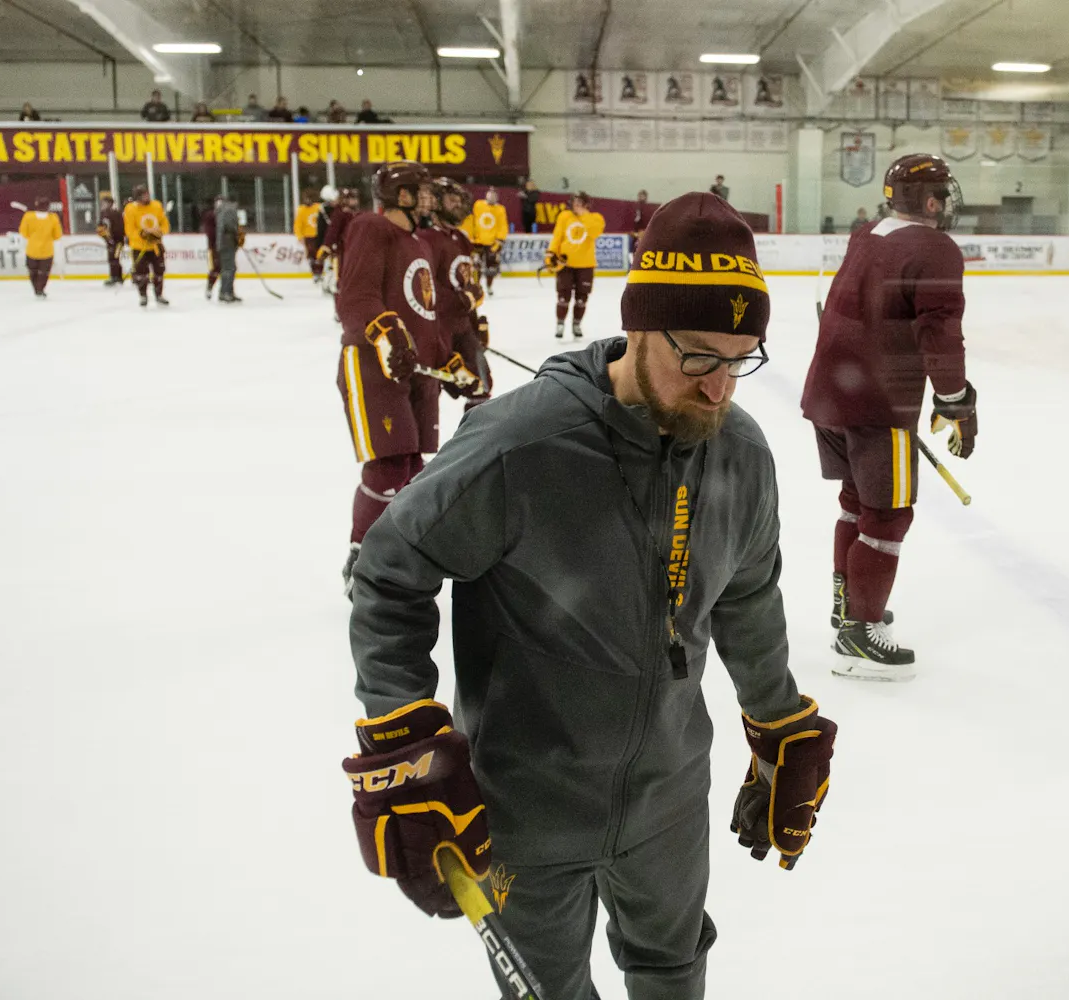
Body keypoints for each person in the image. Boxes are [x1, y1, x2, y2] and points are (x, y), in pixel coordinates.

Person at [340, 190, 835, 1000]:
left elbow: (749, 594)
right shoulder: (521, 444)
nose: (719, 390)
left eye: (741, 359)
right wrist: (402, 732)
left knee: (674, 971)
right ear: (640, 325)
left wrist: (779, 719)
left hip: (670, 800)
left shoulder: (739, 452)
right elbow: (390, 571)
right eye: (699, 356)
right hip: (526, 808)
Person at [801, 153, 975, 680]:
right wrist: (956, 400)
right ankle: (859, 633)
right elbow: (939, 331)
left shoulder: (867, 233)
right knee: (890, 514)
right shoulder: (935, 248)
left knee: (857, 502)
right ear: (928, 201)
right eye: (942, 195)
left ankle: (849, 606)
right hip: (879, 402)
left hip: (830, 392)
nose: (946, 206)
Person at [335, 161, 479, 595]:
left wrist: (448, 361)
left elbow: (423, 313)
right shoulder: (371, 227)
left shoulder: (417, 242)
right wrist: (383, 331)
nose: (431, 198)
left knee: (415, 467)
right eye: (423, 190)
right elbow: (355, 297)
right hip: (371, 364)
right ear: (401, 194)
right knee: (389, 464)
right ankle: (361, 558)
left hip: (413, 372)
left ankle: (400, 552)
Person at [421, 177, 494, 409]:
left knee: (480, 385)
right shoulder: (426, 239)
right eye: (452, 200)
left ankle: (475, 444)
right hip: (435, 329)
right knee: (429, 390)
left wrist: (474, 323)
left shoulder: (461, 238)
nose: (459, 206)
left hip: (462, 326)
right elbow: (424, 288)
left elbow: (468, 285)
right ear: (435, 203)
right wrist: (462, 300)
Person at [546, 191, 605, 339]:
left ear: (586, 205)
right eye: (574, 202)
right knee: (563, 296)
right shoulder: (564, 216)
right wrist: (551, 253)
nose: (576, 206)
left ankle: (576, 324)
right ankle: (560, 324)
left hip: (585, 265)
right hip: (565, 264)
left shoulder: (595, 218)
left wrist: (584, 215)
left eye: (580, 203)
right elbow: (557, 236)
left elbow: (594, 232)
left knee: (581, 298)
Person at [123, 184, 170, 307]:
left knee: (159, 272)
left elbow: (164, 223)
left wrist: (159, 233)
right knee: (141, 274)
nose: (146, 197)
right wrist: (142, 234)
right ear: (137, 198)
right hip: (139, 247)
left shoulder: (157, 205)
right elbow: (129, 229)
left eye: (147, 194)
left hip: (156, 246)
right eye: (143, 195)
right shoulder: (130, 209)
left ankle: (159, 294)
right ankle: (143, 295)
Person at [320, 187, 360, 309]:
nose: (353, 201)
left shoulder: (357, 214)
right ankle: (339, 309)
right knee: (341, 280)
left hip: (356, 252)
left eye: (354, 198)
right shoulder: (339, 214)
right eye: (349, 198)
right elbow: (332, 231)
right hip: (342, 253)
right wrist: (327, 247)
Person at [464, 188, 508, 297]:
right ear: (486, 195)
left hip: (492, 243)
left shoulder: (500, 209)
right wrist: (470, 236)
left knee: (491, 268)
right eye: (490, 194)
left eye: (494, 195)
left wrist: (500, 240)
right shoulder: (478, 205)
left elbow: (503, 225)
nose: (491, 197)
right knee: (475, 266)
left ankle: (489, 286)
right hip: (477, 242)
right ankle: (476, 286)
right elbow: (471, 220)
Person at [17, 197, 61, 299]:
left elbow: (23, 232)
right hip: (47, 251)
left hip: (32, 250)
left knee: (33, 272)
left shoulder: (28, 217)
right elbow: (57, 235)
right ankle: (40, 289)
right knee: (44, 273)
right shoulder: (53, 218)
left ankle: (37, 289)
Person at [215, 195, 243, 303]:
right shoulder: (229, 210)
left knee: (227, 268)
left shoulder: (222, 210)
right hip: (227, 242)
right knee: (230, 268)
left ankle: (225, 292)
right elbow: (230, 226)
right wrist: (237, 234)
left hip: (224, 243)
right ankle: (227, 293)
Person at [95, 192, 126, 286]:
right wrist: (105, 237)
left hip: (118, 240)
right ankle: (117, 277)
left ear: (110, 203)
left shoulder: (116, 213)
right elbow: (100, 227)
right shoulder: (102, 214)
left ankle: (116, 277)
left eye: (105, 203)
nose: (103, 205)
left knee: (114, 258)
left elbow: (120, 228)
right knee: (112, 258)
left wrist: (117, 238)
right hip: (109, 240)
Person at [294, 189, 324, 281]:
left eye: (309, 199)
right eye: (305, 199)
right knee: (311, 254)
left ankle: (319, 272)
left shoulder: (319, 207)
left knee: (320, 254)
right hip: (308, 236)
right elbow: (298, 224)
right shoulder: (301, 210)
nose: (307, 201)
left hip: (319, 235)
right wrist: (299, 236)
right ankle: (315, 272)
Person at [201, 196, 222, 299]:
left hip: (226, 246)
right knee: (215, 268)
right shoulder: (210, 215)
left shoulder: (226, 215)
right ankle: (209, 287)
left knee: (228, 269)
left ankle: (226, 290)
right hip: (214, 247)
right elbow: (210, 232)